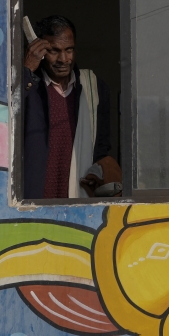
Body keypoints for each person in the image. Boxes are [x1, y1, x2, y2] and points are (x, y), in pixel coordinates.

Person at [22, 15, 119, 199]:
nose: (63, 59)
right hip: (33, 203)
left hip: (78, 202)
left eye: (69, 50)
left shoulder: (93, 87)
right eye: (54, 51)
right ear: (40, 50)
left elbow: (101, 147)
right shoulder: (30, 87)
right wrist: (26, 71)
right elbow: (4, 119)